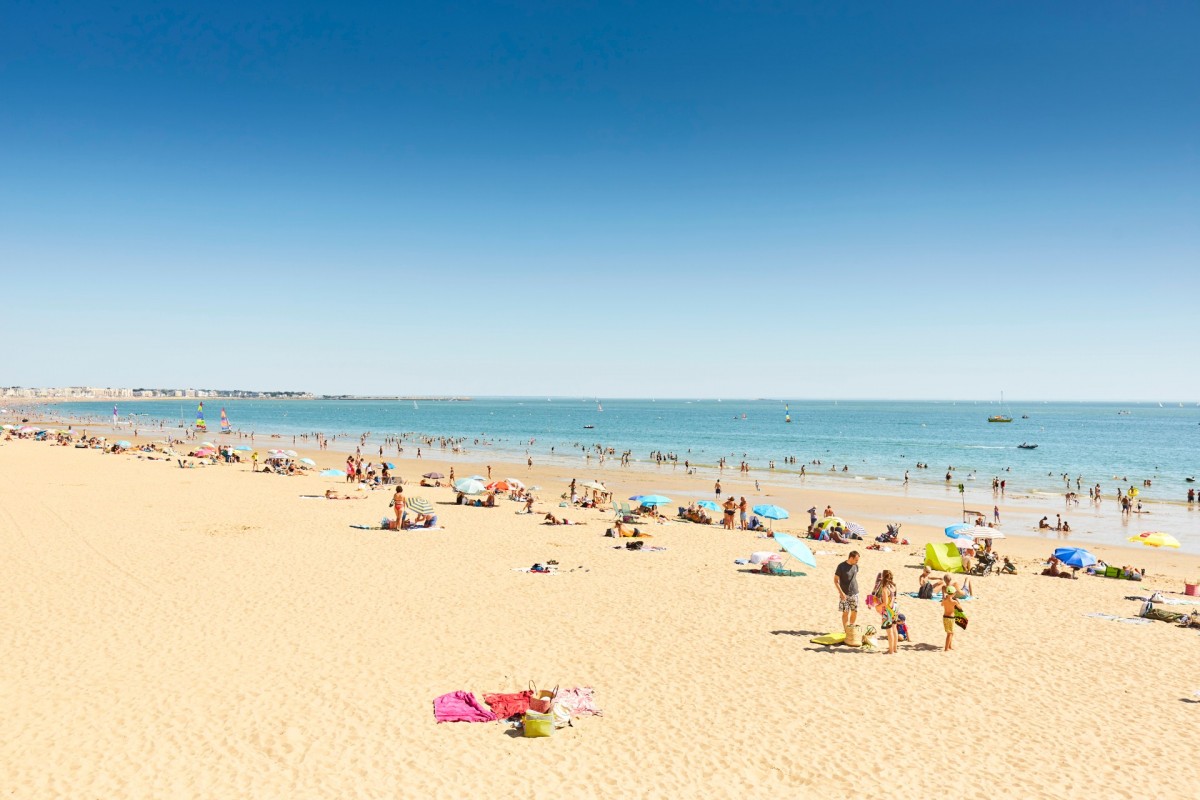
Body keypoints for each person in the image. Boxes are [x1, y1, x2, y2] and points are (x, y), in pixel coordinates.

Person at [834, 551, 860, 628]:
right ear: (851, 558)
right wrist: (841, 593)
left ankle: (851, 627)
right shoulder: (841, 566)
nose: (857, 562)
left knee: (855, 611)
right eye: (856, 560)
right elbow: (835, 581)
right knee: (845, 612)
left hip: (855, 593)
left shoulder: (856, 566)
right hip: (844, 594)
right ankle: (846, 630)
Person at [877, 570, 898, 654]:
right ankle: (895, 648)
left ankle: (890, 650)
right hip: (895, 607)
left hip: (888, 610)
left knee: (889, 631)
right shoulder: (893, 586)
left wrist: (877, 607)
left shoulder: (885, 588)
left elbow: (885, 603)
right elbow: (894, 597)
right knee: (894, 628)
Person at [941, 586, 964, 651]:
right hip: (951, 618)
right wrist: (958, 601)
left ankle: (949, 646)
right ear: (953, 594)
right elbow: (960, 608)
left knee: (951, 633)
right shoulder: (954, 602)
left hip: (945, 617)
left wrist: (945, 599)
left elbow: (942, 604)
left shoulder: (944, 600)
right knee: (949, 633)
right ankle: (946, 648)